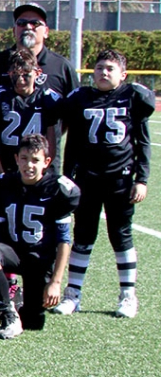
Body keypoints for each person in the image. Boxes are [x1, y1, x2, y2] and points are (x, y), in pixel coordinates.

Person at [54, 49, 154, 318]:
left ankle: (127, 295)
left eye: (110, 68)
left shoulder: (132, 96)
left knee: (120, 236)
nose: (103, 73)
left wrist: (141, 179)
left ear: (123, 74)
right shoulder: (82, 97)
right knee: (83, 237)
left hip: (120, 179)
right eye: (99, 68)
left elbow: (142, 142)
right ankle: (73, 294)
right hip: (87, 179)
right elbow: (70, 138)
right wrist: (68, 176)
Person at [0, 134, 80, 339]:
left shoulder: (58, 189)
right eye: (24, 158)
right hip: (13, 253)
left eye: (35, 160)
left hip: (40, 260)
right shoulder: (4, 184)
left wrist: (56, 282)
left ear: (46, 162)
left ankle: (21, 304)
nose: (29, 165)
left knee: (34, 322)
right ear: (16, 158)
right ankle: (8, 312)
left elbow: (64, 241)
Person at [0, 48, 61, 181]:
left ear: (37, 73)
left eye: (26, 75)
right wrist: (2, 175)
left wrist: (39, 174)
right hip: (5, 166)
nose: (20, 80)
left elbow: (52, 145)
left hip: (35, 170)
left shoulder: (48, 99)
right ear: (9, 73)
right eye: (15, 74)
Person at [0, 3, 79, 98]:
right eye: (21, 23)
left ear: (46, 32)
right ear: (14, 31)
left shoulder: (61, 67)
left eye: (35, 23)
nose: (28, 27)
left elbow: (76, 108)